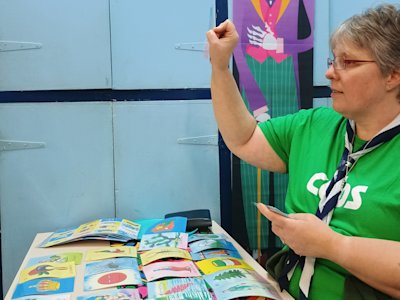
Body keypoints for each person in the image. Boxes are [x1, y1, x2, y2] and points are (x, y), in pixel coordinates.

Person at [206, 3, 400, 300]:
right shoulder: (315, 125)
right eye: (333, 60)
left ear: (393, 75)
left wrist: (333, 245)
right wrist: (220, 67)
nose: (330, 73)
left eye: (347, 62)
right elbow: (244, 139)